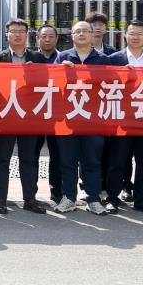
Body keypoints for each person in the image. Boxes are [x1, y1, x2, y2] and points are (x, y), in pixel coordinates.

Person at [0, 18, 48, 214]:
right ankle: (1, 200)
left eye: (21, 31)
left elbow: (46, 85)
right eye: (13, 31)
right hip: (6, 116)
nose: (17, 34)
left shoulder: (37, 58)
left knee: (29, 159)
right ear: (7, 35)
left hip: (29, 116)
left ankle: (30, 199)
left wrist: (32, 74)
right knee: (2, 158)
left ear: (27, 35)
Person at [104, 19, 143, 215]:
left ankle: (142, 199)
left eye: (140, 34)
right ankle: (112, 198)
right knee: (117, 161)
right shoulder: (113, 59)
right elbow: (105, 86)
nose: (135, 37)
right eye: (132, 33)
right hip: (122, 118)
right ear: (125, 35)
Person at [55, 20, 110, 214]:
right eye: (77, 31)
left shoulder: (103, 59)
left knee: (92, 161)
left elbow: (112, 85)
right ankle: (69, 198)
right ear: (71, 35)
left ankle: (93, 199)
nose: (81, 34)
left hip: (94, 120)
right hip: (68, 118)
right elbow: (51, 85)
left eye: (85, 31)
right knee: (68, 160)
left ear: (92, 34)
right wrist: (60, 71)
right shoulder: (62, 57)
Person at [34, 24, 65, 209]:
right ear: (37, 38)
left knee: (57, 155)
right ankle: (31, 193)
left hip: (57, 114)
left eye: (50, 36)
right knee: (31, 155)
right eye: (43, 36)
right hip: (34, 114)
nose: (47, 39)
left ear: (56, 39)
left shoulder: (64, 58)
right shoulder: (30, 58)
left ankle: (57, 192)